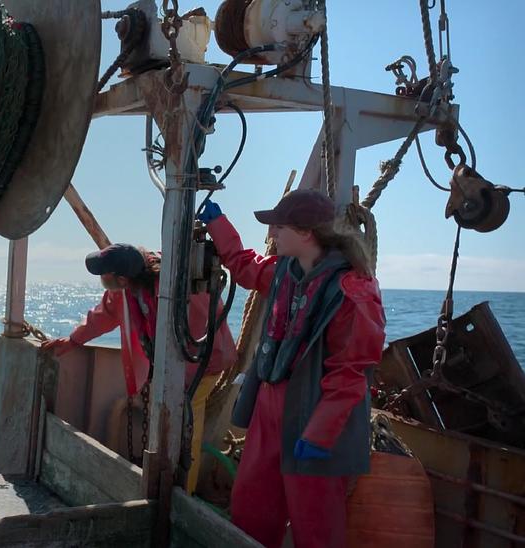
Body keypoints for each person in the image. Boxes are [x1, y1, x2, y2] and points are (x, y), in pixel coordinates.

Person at [199, 190, 386, 548]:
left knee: (315, 525)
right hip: (269, 407)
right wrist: (217, 223)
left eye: (279, 227)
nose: (271, 234)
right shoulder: (283, 270)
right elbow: (244, 266)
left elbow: (351, 374)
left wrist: (319, 435)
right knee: (251, 508)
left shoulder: (354, 291)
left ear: (305, 233)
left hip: (314, 415)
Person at [42, 243, 237, 494]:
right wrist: (73, 340)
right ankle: (166, 485)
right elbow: (105, 313)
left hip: (202, 366)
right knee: (173, 425)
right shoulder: (130, 280)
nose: (102, 281)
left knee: (186, 428)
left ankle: (182, 495)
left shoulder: (176, 285)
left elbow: (198, 336)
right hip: (172, 369)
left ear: (122, 279)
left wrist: (180, 386)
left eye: (104, 275)